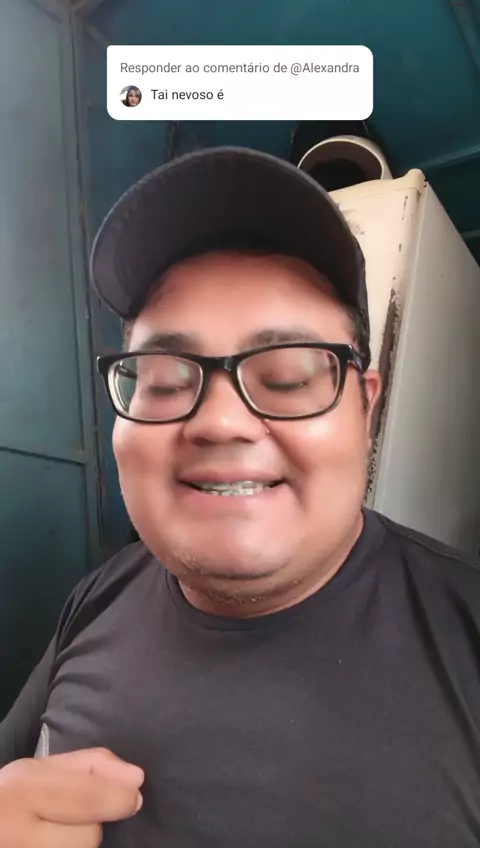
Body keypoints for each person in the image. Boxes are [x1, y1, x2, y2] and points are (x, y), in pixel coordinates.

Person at [1, 147, 480, 848]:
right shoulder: (98, 595)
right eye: (165, 379)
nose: (221, 422)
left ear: (365, 408)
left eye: (287, 377)